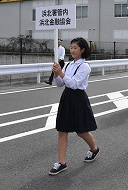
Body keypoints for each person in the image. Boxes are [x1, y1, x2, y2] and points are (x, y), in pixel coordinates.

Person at [49, 37, 99, 175]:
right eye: (71, 47)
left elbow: (74, 84)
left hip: (78, 98)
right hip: (67, 97)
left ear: (82, 50)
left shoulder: (85, 66)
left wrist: (61, 73)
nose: (72, 50)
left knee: (81, 131)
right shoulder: (68, 65)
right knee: (62, 130)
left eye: (75, 48)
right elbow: (60, 84)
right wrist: (56, 74)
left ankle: (94, 148)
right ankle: (61, 162)